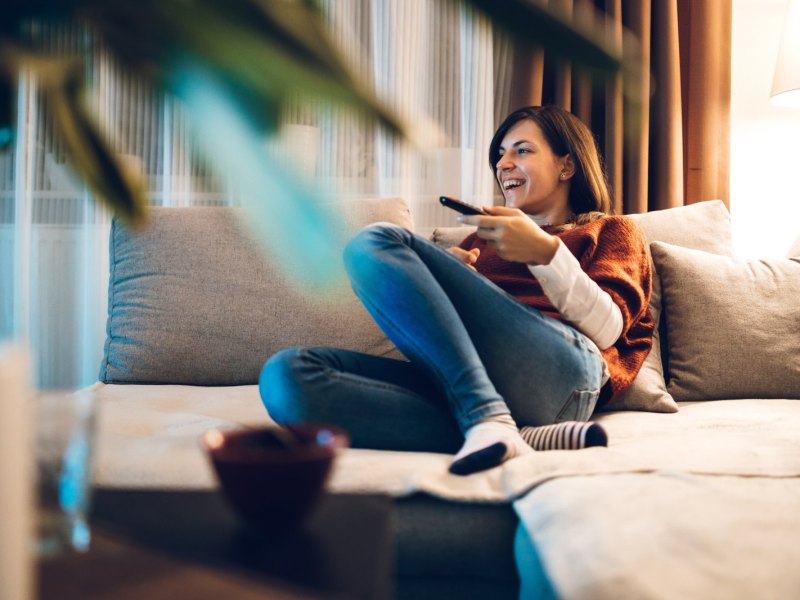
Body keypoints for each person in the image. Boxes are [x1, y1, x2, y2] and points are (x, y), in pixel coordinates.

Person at [260, 105, 654, 476]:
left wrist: (544, 252)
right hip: (480, 384)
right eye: (500, 154)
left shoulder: (612, 230)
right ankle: (511, 430)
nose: (503, 164)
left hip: (563, 374)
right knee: (287, 377)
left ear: (566, 164)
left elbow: (608, 330)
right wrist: (441, 278)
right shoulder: (478, 241)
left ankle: (485, 416)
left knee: (373, 242)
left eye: (522, 150)